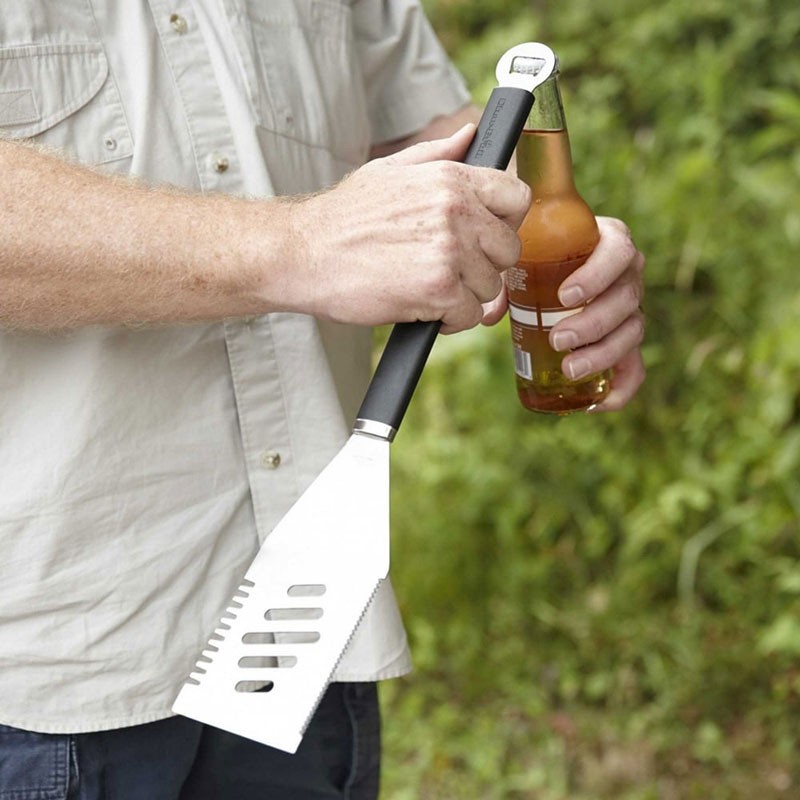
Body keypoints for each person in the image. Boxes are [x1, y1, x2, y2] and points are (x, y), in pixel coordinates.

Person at [0, 1, 645, 798]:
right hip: (43, 675)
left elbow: (439, 141)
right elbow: (315, 240)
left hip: (311, 626)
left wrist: (544, 241)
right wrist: (294, 246)